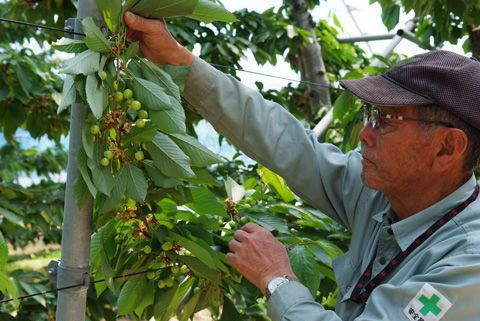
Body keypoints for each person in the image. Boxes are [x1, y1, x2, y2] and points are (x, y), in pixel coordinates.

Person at [124, 11, 480, 321]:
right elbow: (288, 143)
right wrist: (180, 62)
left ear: (446, 148)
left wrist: (277, 278)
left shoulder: (467, 267)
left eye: (387, 119)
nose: (364, 134)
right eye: (371, 115)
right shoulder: (384, 195)